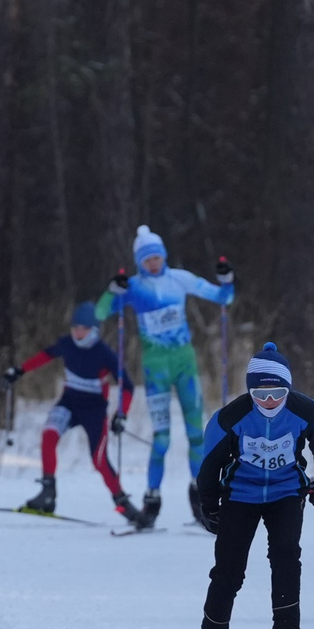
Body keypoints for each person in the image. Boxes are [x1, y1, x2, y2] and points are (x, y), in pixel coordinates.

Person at [176, 343, 314, 629]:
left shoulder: (305, 410)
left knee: (285, 562)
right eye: (260, 394)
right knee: (227, 572)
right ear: (250, 392)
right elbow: (209, 467)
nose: (269, 401)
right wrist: (209, 506)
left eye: (277, 393)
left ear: (288, 389)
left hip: (286, 494)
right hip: (241, 496)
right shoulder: (230, 417)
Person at [99, 224, 236, 528]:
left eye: (156, 257)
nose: (153, 263)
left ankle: (201, 498)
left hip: (185, 364)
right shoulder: (134, 286)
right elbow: (101, 312)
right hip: (156, 369)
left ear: (164, 256)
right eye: (147, 259)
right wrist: (112, 291)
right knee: (161, 439)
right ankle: (152, 501)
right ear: (139, 261)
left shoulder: (179, 278)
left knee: (197, 434)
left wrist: (227, 279)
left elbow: (222, 298)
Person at [2, 301, 138, 521]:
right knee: (49, 436)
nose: (78, 332)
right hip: (69, 403)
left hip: (94, 411)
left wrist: (121, 414)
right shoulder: (67, 344)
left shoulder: (104, 353)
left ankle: (123, 504)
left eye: (84, 328)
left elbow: (128, 386)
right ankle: (48, 493)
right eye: (75, 327)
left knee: (99, 460)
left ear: (94, 330)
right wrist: (19, 371)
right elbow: (46, 355)